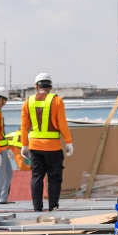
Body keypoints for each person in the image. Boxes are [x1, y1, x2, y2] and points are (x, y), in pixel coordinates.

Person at [21, 72, 73, 211]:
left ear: (36, 86)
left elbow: (24, 126)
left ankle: (37, 209)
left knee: (37, 177)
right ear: (50, 86)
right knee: (54, 178)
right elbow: (62, 123)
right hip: (53, 147)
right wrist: (68, 142)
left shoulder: (28, 102)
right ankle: (53, 207)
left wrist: (24, 145)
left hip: (35, 147)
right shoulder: (57, 101)